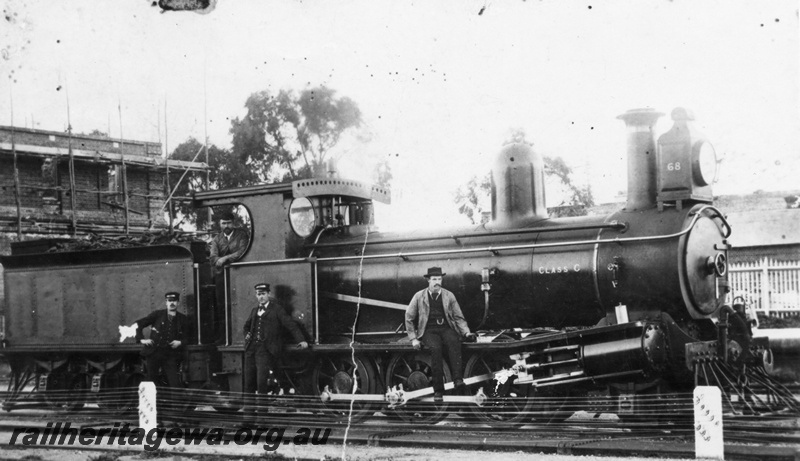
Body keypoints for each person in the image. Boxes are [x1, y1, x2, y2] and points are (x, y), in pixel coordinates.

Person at [405, 267, 475, 402]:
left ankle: (457, 379)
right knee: (435, 348)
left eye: (439, 279)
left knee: (454, 342)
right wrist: (413, 338)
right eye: (434, 279)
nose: (437, 282)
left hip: (446, 328)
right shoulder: (419, 296)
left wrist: (466, 332)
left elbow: (458, 317)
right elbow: (409, 316)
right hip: (428, 330)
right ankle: (438, 390)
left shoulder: (449, 295)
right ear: (428, 281)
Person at [242, 283, 308, 422]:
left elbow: (290, 324)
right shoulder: (254, 311)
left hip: (265, 352)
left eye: (263, 294)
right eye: (258, 294)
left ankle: (261, 421)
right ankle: (247, 420)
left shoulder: (277, 309)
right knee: (248, 384)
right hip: (250, 351)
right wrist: (247, 335)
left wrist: (301, 340)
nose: (261, 297)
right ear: (256, 296)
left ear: (269, 294)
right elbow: (246, 326)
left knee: (261, 385)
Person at [133, 291, 189, 412]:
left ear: (178, 303)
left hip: (170, 355)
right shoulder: (157, 315)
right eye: (169, 301)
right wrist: (141, 339)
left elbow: (190, 337)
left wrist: (181, 342)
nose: (172, 303)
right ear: (166, 302)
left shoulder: (183, 319)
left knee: (175, 383)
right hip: (154, 353)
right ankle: (148, 413)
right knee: (150, 382)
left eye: (174, 301)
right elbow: (138, 324)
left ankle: (176, 414)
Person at [208, 211, 249, 340]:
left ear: (234, 223)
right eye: (223, 223)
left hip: (240, 275)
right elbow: (213, 257)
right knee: (221, 306)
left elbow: (242, 251)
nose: (226, 226)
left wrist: (225, 258)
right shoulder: (216, 239)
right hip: (221, 277)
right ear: (220, 224)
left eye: (229, 223)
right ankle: (224, 336)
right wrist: (219, 260)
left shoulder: (242, 235)